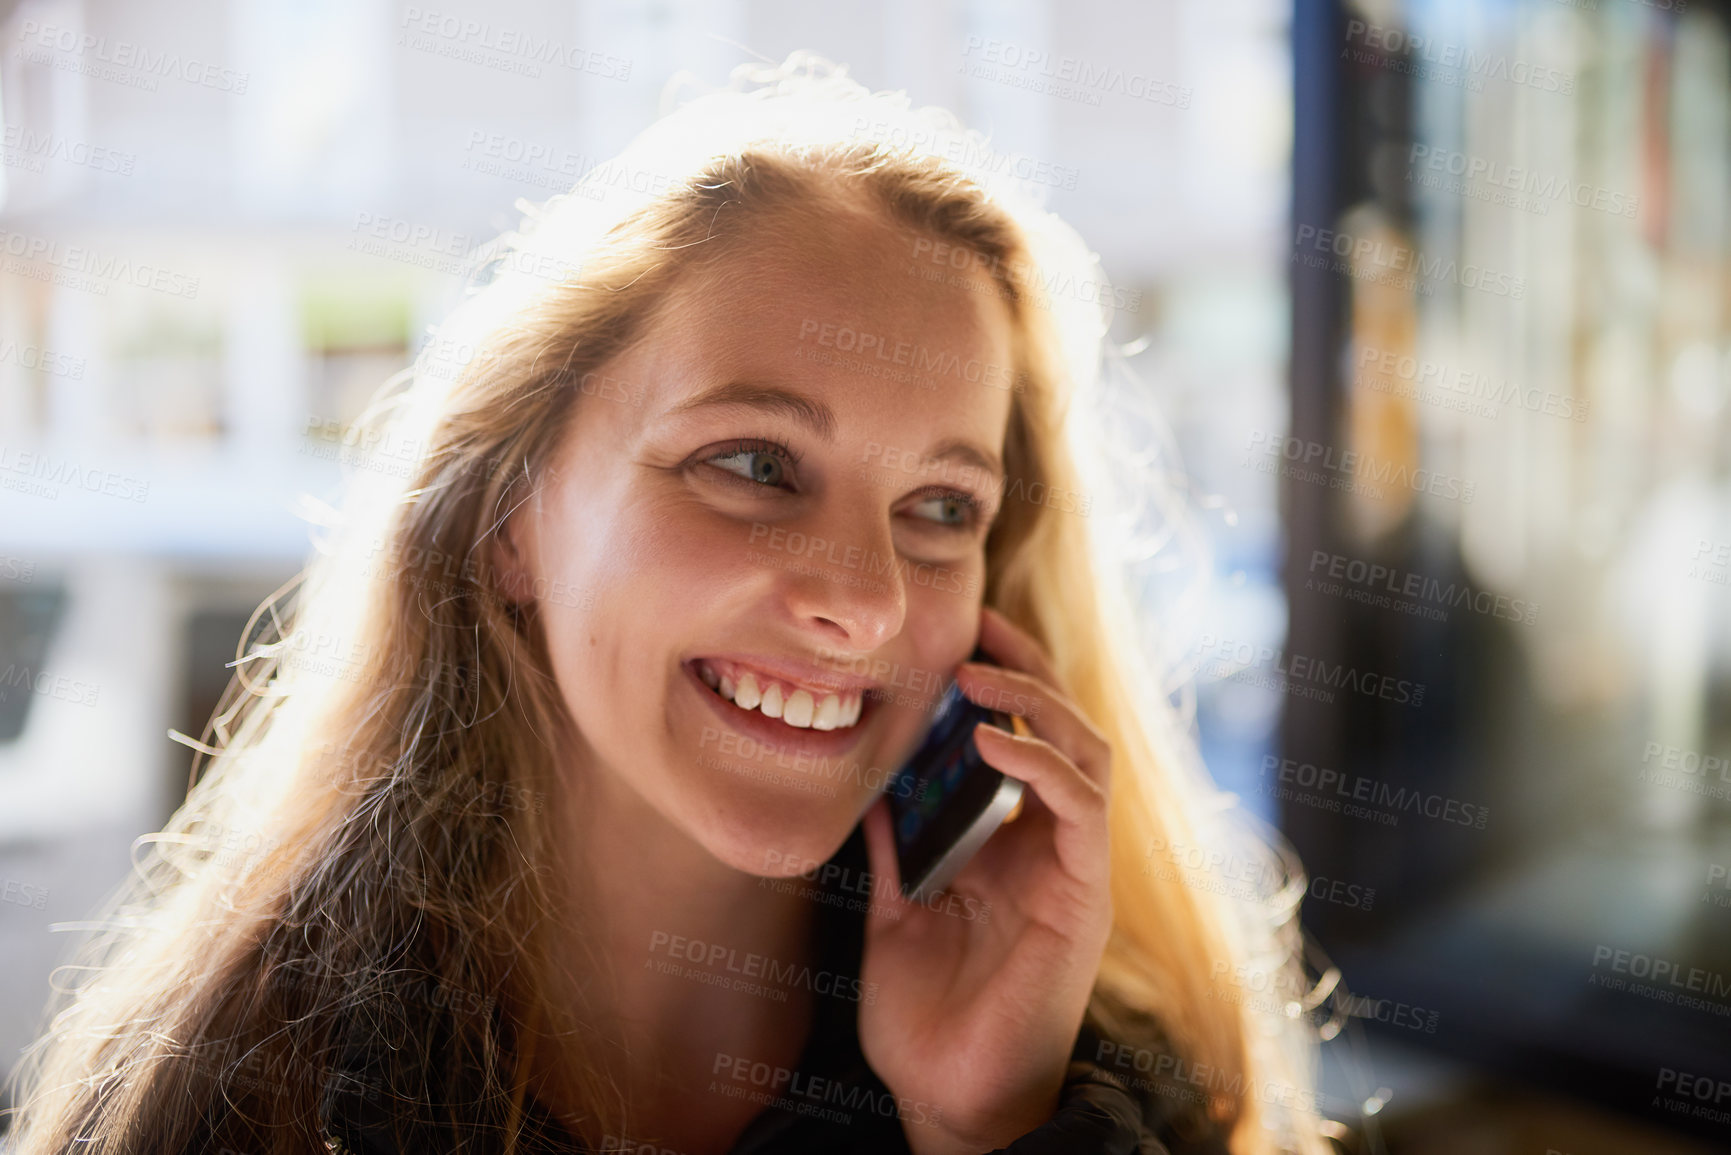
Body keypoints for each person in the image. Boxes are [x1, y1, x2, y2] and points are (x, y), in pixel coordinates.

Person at [4, 54, 1331, 1155]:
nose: (864, 603)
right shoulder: (234, 1106)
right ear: (512, 520)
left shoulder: (1097, 1092)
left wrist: (984, 1124)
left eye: (940, 509)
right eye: (752, 466)